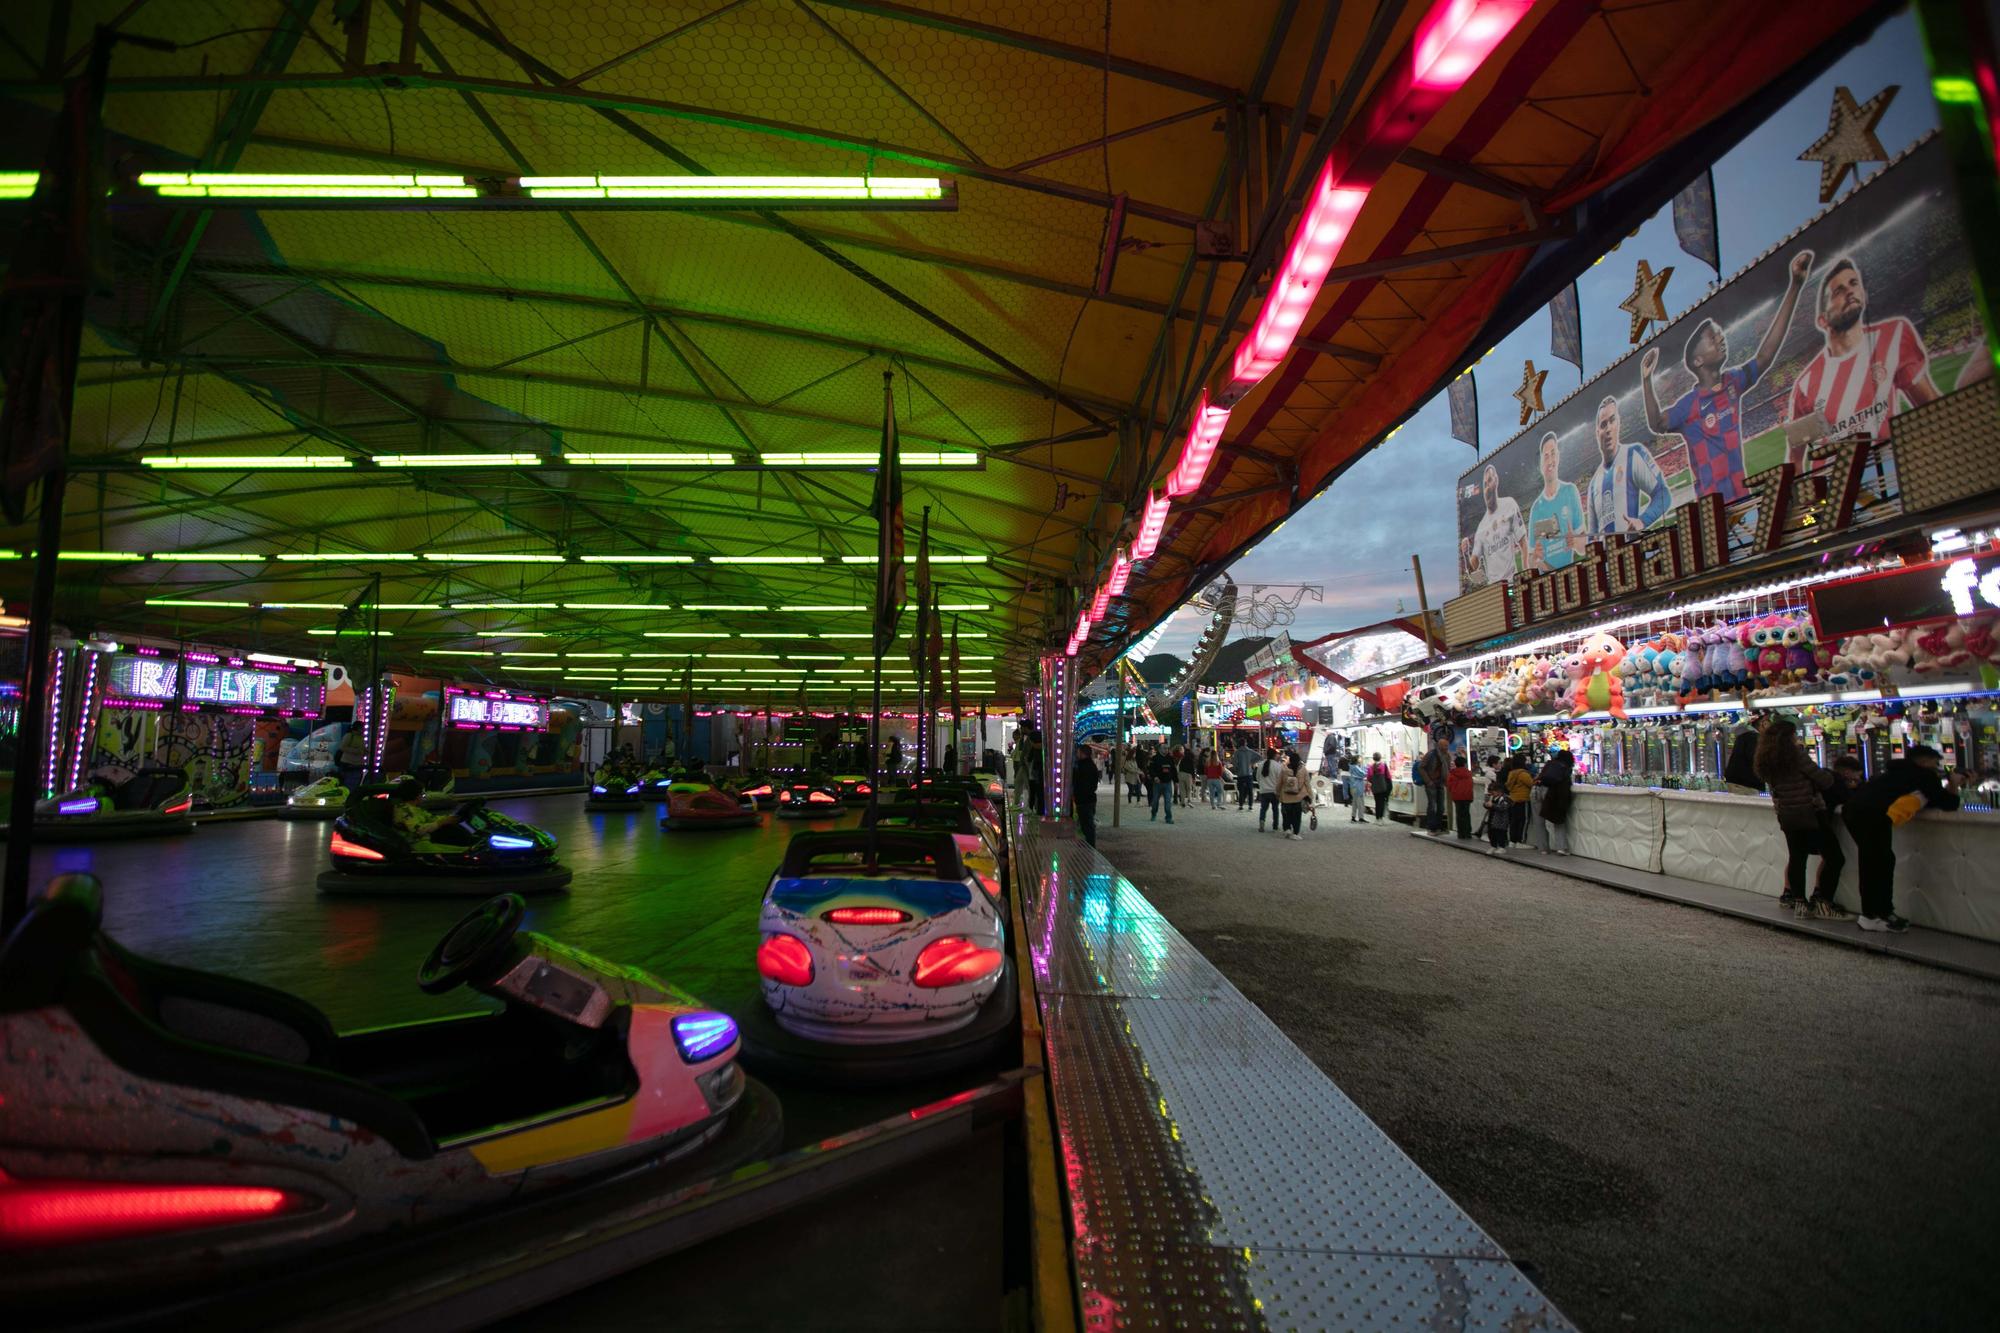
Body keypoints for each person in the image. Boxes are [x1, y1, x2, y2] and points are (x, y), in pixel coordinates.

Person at [1640, 249, 1812, 503]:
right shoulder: (1689, 405)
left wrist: (1795, 285)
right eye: (1713, 338)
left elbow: (1765, 355)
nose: (1720, 339)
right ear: (1697, 360)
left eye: (1720, 334)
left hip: (1743, 497)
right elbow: (1657, 424)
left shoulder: (1733, 382)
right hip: (1713, 508)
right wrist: (1646, 380)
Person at [1786, 256, 1946, 468]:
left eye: (1854, 283)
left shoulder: (1894, 335)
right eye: (1838, 291)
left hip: (1891, 472)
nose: (1849, 291)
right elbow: (1796, 456)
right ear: (1822, 320)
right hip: (1837, 490)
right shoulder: (1805, 384)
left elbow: (1931, 406)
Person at [1842, 743, 1960, 933]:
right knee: (1880, 862)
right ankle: (1874, 915)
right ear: (1923, 761)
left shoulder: (1894, 773)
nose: (1937, 767)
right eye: (1934, 762)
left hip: (1855, 812)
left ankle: (1877, 913)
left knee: (1875, 861)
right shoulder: (1923, 776)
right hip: (1872, 815)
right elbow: (1949, 803)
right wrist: (1954, 783)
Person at [1752, 716, 1848, 918]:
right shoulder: (1797, 757)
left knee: (1797, 858)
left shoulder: (1765, 760)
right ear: (1789, 737)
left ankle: (1800, 904)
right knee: (1834, 857)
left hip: (1787, 815)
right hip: (1811, 812)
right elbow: (1824, 780)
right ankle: (1824, 903)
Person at [1584, 395, 1670, 536]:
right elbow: (1592, 537)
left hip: (1633, 553)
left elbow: (1663, 494)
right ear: (1597, 433)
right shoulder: (1593, 484)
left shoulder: (1633, 453)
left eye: (1612, 421)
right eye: (1603, 424)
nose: (1608, 429)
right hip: (1608, 558)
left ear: (1619, 423)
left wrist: (1642, 521)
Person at [1526, 431, 1586, 571]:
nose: (1550, 460)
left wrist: (1575, 542)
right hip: (1546, 582)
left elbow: (1584, 546)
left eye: (1553, 453)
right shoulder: (1536, 509)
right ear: (1541, 464)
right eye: (1546, 456)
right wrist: (1534, 557)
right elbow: (1531, 561)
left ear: (1558, 457)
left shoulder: (1570, 491)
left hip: (1569, 576)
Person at [1463, 463, 1527, 588]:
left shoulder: (1509, 504)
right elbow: (1473, 568)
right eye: (1485, 484)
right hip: (1495, 591)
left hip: (1513, 583)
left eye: (1490, 481)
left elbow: (1523, 542)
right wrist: (1466, 554)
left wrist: (1526, 574)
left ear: (1496, 481)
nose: (1487, 487)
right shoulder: (1481, 527)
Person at [1534, 749, 1574, 855]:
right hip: (1551, 793)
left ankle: (1543, 848)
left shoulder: (1550, 764)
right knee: (1558, 820)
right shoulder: (1566, 767)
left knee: (1539, 821)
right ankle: (1561, 847)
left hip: (1537, 790)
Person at [391, 777, 454, 844]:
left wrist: (450, 818)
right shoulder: (404, 810)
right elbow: (417, 830)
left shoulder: (416, 808)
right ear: (417, 796)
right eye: (422, 795)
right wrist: (441, 823)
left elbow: (432, 818)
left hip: (424, 843)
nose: (423, 797)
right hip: (414, 845)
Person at [1723, 715, 1767, 794]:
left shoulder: (1744, 736)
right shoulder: (1755, 738)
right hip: (1746, 784)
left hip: (1737, 781)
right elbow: (1755, 760)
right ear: (1762, 724)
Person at [1482, 757, 1512, 854]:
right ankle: (1493, 846)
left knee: (1501, 833)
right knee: (1492, 833)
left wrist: (1492, 806)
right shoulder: (1492, 797)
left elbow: (1503, 807)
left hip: (1501, 821)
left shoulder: (1504, 799)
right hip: (1493, 819)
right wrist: (1487, 804)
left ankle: (1502, 846)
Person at [1072, 743, 1101, 847]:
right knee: (1087, 825)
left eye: (1078, 752)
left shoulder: (1083, 766)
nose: (1077, 754)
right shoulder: (1090, 765)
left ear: (1082, 753)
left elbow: (1082, 784)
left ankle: (1090, 847)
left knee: (1087, 826)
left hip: (1084, 800)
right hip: (1089, 799)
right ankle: (1089, 845)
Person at [1417, 739, 1449, 831]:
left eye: (1447, 745)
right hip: (1431, 782)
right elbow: (1421, 767)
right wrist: (1428, 781)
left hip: (1441, 782)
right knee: (1432, 805)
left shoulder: (1446, 755)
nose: (1447, 748)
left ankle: (1438, 825)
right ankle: (1431, 826)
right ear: (1440, 746)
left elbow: (1447, 769)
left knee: (1441, 806)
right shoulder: (1431, 754)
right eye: (1445, 746)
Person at [1277, 751, 1310, 840]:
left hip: (1286, 797)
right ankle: (1295, 832)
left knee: (1286, 814)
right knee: (1297, 816)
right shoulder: (1303, 770)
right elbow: (1307, 783)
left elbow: (1279, 783)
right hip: (1298, 797)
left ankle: (1287, 829)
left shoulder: (1284, 770)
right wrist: (1310, 796)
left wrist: (1277, 793)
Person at [1505, 755, 1536, 844]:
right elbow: (1531, 784)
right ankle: (1520, 840)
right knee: (1523, 821)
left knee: (1514, 821)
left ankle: (1512, 840)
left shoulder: (1511, 773)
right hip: (1523, 799)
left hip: (1513, 799)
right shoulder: (1523, 774)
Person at [1146, 744, 1178, 825]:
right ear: (1160, 749)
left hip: (1167, 783)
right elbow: (1151, 769)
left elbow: (1173, 771)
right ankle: (1153, 813)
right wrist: (1155, 777)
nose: (1166, 750)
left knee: (1168, 802)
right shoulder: (1155, 758)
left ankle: (1168, 817)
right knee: (1155, 801)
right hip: (1157, 784)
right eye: (1164, 748)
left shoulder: (1170, 758)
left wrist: (1176, 781)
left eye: (1167, 748)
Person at [1447, 753, 1476, 839]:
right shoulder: (1468, 773)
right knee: (1467, 814)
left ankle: (1461, 833)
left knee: (1459, 815)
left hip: (1457, 796)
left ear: (1455, 764)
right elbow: (1471, 784)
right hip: (1467, 796)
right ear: (1465, 763)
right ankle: (1468, 833)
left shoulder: (1452, 774)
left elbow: (1449, 785)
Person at [1257, 749, 1282, 832]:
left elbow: (1257, 777)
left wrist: (1261, 786)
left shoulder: (1260, 764)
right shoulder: (1278, 766)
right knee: (1275, 809)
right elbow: (1280, 779)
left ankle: (1262, 821)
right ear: (1275, 755)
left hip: (1264, 790)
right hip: (1274, 791)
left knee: (1263, 808)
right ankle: (1275, 826)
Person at [1366, 752, 1393, 822]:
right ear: (1380, 758)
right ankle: (1380, 818)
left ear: (1373, 758)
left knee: (1377, 802)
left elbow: (1369, 777)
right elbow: (1388, 776)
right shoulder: (1383, 765)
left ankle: (1377, 818)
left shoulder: (1370, 767)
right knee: (1382, 802)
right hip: (1382, 786)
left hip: (1375, 787)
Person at [1233, 741, 1257, 810]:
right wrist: (1252, 762)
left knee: (1241, 790)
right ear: (1245, 743)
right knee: (1250, 791)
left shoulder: (1237, 752)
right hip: (1249, 774)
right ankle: (1250, 806)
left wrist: (1237, 769)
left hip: (1240, 774)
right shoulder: (1250, 751)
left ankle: (1241, 805)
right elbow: (1259, 757)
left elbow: (1234, 763)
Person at [1346, 755, 1368, 822]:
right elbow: (1363, 774)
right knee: (1360, 803)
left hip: (1353, 787)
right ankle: (1361, 817)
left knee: (1354, 803)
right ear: (1357, 760)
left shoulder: (1351, 767)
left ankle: (1353, 817)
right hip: (1358, 787)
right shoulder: (1355, 767)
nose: (1361, 759)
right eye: (1360, 758)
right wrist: (1365, 768)